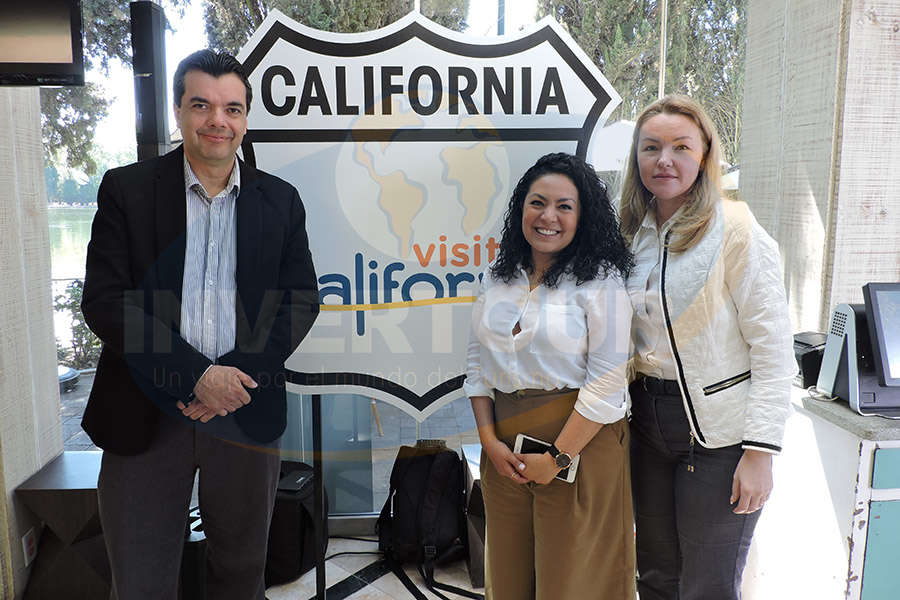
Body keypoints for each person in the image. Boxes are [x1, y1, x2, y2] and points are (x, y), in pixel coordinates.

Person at [81, 50, 319, 599]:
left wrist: (229, 380)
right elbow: (106, 302)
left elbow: (301, 300)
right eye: (202, 105)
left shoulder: (281, 202)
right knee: (140, 581)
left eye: (232, 108)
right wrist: (195, 376)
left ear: (245, 118)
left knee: (240, 577)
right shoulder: (126, 190)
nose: (218, 120)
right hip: (143, 414)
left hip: (243, 410)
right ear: (178, 111)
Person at [619, 94, 794, 600]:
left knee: (708, 586)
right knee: (654, 574)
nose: (664, 160)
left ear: (705, 154)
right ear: (637, 158)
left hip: (719, 435)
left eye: (680, 146)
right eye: (651, 147)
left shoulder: (736, 229)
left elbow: (773, 348)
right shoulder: (633, 232)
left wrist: (760, 452)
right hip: (648, 422)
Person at [464, 152, 635, 599]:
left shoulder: (602, 281)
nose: (548, 217)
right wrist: (488, 442)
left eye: (565, 206)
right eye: (538, 202)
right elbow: (477, 364)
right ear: (521, 208)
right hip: (503, 452)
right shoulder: (499, 276)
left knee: (573, 580)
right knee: (507, 576)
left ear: (584, 216)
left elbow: (606, 384)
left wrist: (557, 458)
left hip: (580, 444)